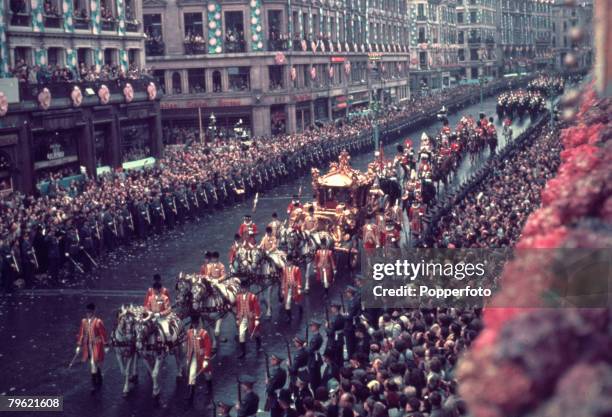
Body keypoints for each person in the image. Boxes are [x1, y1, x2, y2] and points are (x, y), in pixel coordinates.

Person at [75, 303, 108, 393]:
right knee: (93, 363)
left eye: (90, 312)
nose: (88, 314)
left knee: (93, 363)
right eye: (87, 312)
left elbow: (103, 334)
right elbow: (82, 334)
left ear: (93, 312)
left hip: (97, 346)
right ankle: (99, 376)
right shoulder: (84, 321)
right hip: (88, 346)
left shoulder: (98, 321)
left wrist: (105, 345)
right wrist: (79, 345)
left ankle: (93, 385)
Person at [185, 314, 212, 403]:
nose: (195, 325)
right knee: (192, 374)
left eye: (196, 323)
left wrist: (206, 359)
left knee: (207, 374)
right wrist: (188, 357)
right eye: (194, 323)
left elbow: (208, 346)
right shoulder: (189, 332)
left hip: (202, 357)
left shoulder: (204, 333)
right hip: (193, 357)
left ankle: (209, 388)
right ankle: (190, 395)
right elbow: (188, 345)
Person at [235, 285, 261, 358]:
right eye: (241, 288)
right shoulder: (238, 297)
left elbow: (256, 308)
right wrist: (237, 318)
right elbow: (238, 308)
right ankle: (243, 352)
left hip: (251, 318)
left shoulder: (252, 296)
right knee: (241, 334)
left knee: (255, 333)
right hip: (242, 318)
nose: (242, 289)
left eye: (244, 288)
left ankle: (258, 344)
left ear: (247, 288)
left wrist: (257, 319)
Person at [281, 255, 303, 323]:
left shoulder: (296, 269)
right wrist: (283, 289)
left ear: (291, 262)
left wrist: (299, 288)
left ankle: (300, 308)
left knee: (297, 302)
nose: (288, 263)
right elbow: (283, 279)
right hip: (288, 288)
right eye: (287, 262)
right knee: (287, 303)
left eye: (289, 262)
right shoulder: (284, 269)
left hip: (295, 288)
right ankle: (289, 317)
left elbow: (299, 279)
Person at [306, 319, 324, 391]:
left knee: (313, 379)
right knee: (317, 376)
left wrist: (305, 347)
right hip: (316, 357)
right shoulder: (318, 336)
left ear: (316, 327)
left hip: (313, 359)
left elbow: (310, 350)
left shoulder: (315, 338)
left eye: (312, 326)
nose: (311, 327)